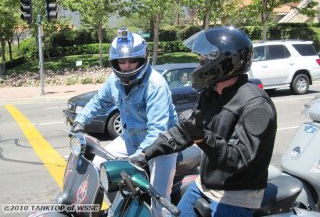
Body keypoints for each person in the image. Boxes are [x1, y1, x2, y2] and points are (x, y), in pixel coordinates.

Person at [131, 26, 277, 216]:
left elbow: (238, 160)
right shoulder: (211, 94)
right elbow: (185, 131)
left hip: (236, 195)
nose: (199, 64)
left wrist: (201, 137)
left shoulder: (256, 106)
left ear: (223, 62)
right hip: (203, 185)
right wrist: (145, 155)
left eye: (204, 59)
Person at [70, 28, 178, 217]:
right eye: (122, 61)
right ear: (115, 62)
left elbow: (157, 130)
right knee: (97, 167)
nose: (127, 65)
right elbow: (99, 101)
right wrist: (81, 120)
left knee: (160, 200)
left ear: (142, 59)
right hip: (130, 138)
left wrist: (137, 157)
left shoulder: (155, 85)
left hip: (161, 145)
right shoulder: (114, 80)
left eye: (132, 60)